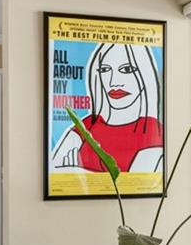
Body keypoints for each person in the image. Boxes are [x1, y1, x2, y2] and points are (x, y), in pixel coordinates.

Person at [50, 42, 163, 174]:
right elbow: (55, 175)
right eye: (104, 70)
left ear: (145, 74)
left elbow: (135, 186)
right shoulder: (85, 127)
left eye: (127, 69)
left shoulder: (154, 132)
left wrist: (76, 170)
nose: (113, 82)